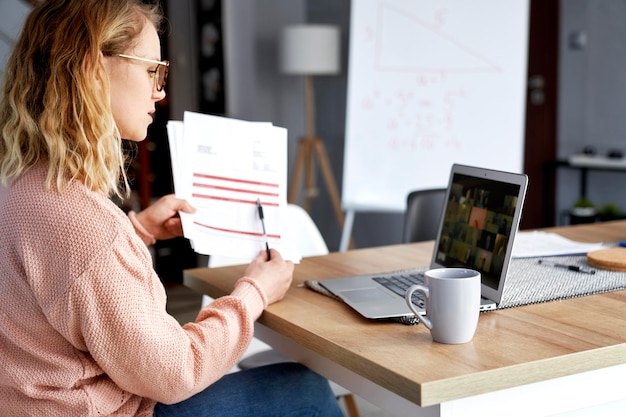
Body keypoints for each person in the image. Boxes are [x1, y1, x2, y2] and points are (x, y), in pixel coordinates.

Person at [0, 1, 344, 416]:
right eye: (151, 71)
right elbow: (176, 372)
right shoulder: (84, 224)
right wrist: (255, 291)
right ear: (93, 68)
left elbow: (61, 277)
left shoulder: (20, 186)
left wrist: (136, 231)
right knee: (303, 389)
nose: (160, 91)